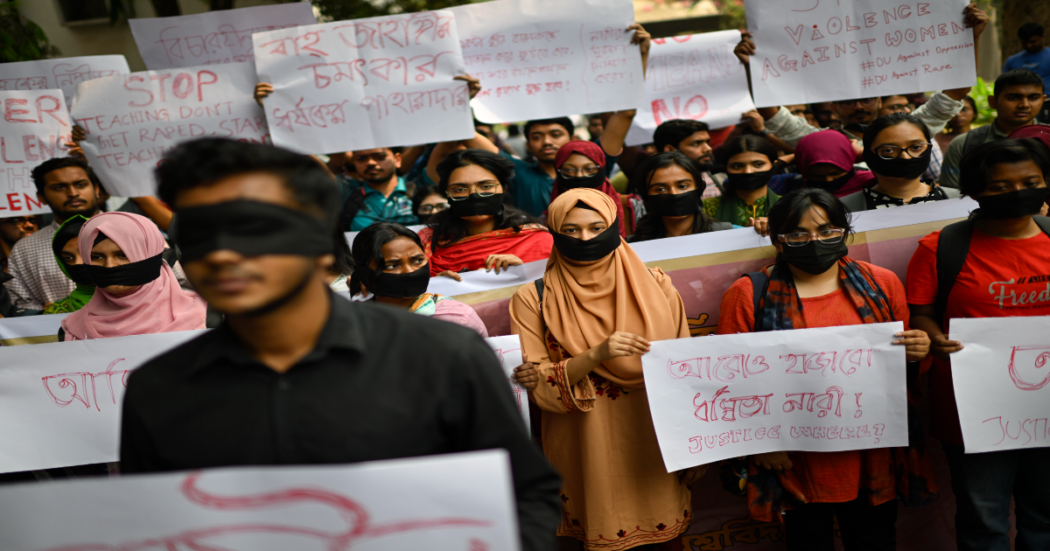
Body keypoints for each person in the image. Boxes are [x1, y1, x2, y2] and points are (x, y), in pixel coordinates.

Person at [122, 138, 561, 551]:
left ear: (318, 243)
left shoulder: (443, 356)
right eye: (199, 235)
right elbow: (152, 526)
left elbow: (525, 496)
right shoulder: (158, 390)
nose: (221, 254)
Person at [718, 188, 933, 548]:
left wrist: (917, 352)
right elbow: (731, 380)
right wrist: (763, 444)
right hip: (794, 458)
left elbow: (904, 367)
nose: (814, 242)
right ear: (778, 240)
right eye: (799, 234)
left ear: (844, 233)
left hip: (872, 451)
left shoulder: (881, 283)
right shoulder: (748, 293)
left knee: (875, 539)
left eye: (827, 231)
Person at [509, 188, 702, 550]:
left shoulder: (657, 284)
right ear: (554, 232)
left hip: (653, 441)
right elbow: (539, 387)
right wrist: (596, 354)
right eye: (572, 230)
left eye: (597, 227)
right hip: (584, 446)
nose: (585, 238)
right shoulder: (533, 298)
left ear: (616, 227)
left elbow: (683, 369)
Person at [906, 139, 1050, 551]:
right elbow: (921, 313)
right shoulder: (940, 248)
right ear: (975, 191)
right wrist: (935, 339)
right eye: (1001, 187)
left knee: (1046, 516)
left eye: (1030, 182)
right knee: (983, 519)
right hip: (975, 412)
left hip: (1045, 408)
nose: (1018, 192)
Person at [447, 25, 650, 217]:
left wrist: (639, 58)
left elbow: (626, 114)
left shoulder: (596, 159)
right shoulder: (519, 172)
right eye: (537, 136)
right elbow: (468, 134)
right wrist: (461, 98)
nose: (546, 142)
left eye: (555, 134)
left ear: (573, 138)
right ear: (528, 145)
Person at [735, 5, 989, 144]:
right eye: (847, 101)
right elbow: (772, 114)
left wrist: (970, 38)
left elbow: (956, 91)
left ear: (879, 102)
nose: (857, 106)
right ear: (833, 107)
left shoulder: (912, 129)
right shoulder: (820, 141)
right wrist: (753, 66)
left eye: (866, 99)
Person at [58, 212, 206, 341]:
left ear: (151, 254)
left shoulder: (207, 317)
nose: (109, 265)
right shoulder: (72, 329)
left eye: (123, 255)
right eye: (96, 257)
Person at [420, 149, 552, 278]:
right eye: (460, 189)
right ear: (447, 195)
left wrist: (525, 274)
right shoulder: (425, 243)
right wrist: (438, 284)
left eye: (486, 186)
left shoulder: (540, 241)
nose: (474, 195)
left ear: (504, 188)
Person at [349, 222, 487, 336]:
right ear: (364, 273)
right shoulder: (351, 322)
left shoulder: (456, 319)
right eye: (392, 266)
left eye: (417, 260)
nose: (410, 271)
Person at [7, 157, 103, 313]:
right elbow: (19, 305)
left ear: (96, 189)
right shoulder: (25, 249)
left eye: (80, 185)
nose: (72, 193)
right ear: (41, 197)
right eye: (59, 187)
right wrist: (43, 313)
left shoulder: (132, 232)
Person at [941, 70, 1046, 188]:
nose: (1024, 104)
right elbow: (951, 194)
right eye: (1013, 98)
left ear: (1043, 99)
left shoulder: (1047, 138)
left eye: (1033, 98)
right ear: (993, 101)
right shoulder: (963, 144)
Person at [839, 114, 962, 211]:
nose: (905, 157)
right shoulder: (843, 209)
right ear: (868, 155)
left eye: (916, 147)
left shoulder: (960, 201)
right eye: (888, 150)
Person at [627, 151, 733, 242]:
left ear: (699, 188)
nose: (674, 193)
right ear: (646, 195)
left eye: (682, 186)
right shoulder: (633, 245)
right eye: (661, 189)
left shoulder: (725, 234)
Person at [548, 140, 627, 237]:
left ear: (601, 169)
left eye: (589, 169)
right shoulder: (547, 218)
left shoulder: (629, 207)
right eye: (569, 170)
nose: (579, 175)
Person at [703, 135, 782, 230]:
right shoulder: (705, 208)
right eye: (737, 166)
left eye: (758, 164)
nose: (748, 171)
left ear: (773, 165)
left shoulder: (790, 206)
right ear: (725, 168)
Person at [771, 130, 873, 198]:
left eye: (836, 173)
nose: (828, 180)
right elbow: (757, 177)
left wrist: (864, 154)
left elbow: (889, 168)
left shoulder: (871, 181)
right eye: (817, 176)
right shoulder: (794, 185)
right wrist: (795, 157)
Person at [338, 147, 419, 231]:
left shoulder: (418, 188)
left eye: (380, 157)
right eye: (361, 159)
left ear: (397, 160)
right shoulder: (346, 193)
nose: (370, 163)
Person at [42, 215, 94, 315]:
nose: (77, 262)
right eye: (68, 258)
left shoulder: (133, 305)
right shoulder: (55, 312)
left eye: (86, 253)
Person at [1003, 23, 1050, 92]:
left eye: (1033, 41)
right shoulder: (1012, 60)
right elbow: (1004, 84)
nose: (1029, 45)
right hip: (1021, 101)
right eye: (1024, 42)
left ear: (1042, 37)